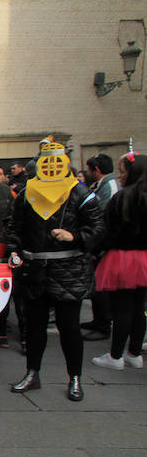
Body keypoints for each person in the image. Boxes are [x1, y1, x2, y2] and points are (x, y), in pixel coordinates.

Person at [6, 139, 104, 401]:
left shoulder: (80, 194)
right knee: (34, 326)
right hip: (34, 269)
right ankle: (32, 373)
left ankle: (75, 377)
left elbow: (98, 228)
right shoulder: (27, 193)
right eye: (45, 162)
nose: (50, 167)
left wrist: (75, 236)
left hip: (68, 270)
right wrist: (14, 249)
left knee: (69, 327)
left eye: (55, 162)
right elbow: (15, 227)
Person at [90, 153, 146, 371]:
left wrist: (96, 250)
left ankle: (115, 356)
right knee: (139, 307)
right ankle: (134, 354)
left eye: (123, 171)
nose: (120, 175)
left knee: (122, 308)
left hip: (122, 257)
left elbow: (108, 231)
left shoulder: (122, 198)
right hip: (145, 258)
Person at [81, 153, 121, 341]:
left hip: (106, 248)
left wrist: (98, 248)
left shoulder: (111, 188)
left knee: (102, 287)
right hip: (100, 247)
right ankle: (98, 320)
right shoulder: (102, 186)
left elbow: (104, 221)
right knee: (96, 286)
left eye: (88, 170)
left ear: (96, 170)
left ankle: (103, 325)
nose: (87, 173)